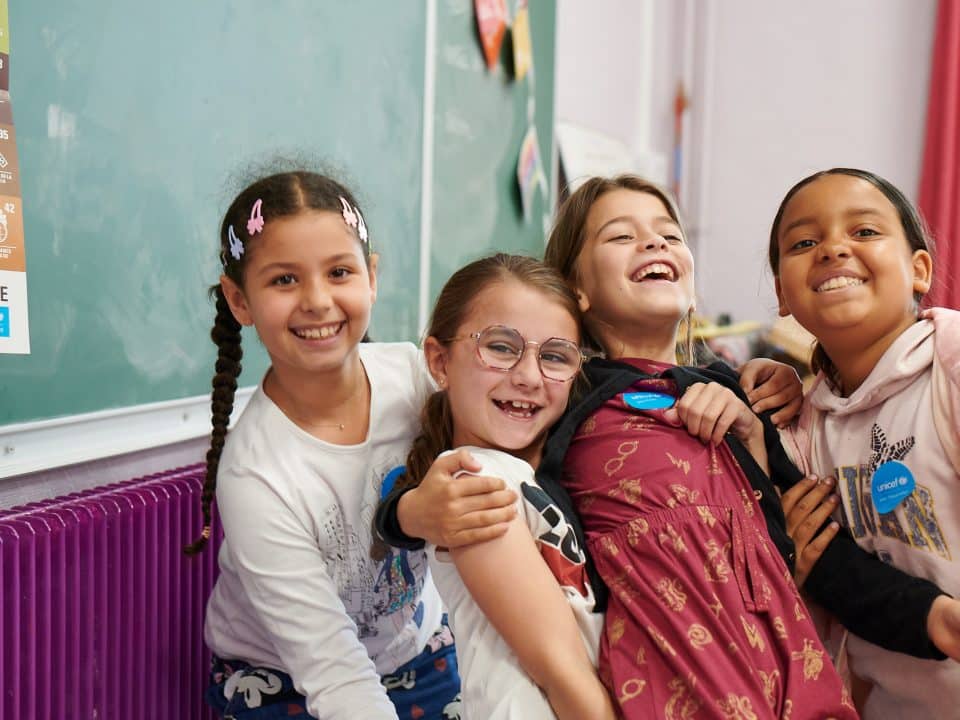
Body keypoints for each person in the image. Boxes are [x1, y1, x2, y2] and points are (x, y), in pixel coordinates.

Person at [384, 176, 863, 718]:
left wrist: (764, 406)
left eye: (669, 234)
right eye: (620, 237)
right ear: (575, 290)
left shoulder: (731, 393)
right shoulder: (570, 397)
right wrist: (406, 513)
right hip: (671, 680)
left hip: (782, 673)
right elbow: (451, 436)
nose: (655, 243)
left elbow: (790, 537)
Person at [184, 170, 462, 720]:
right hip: (281, 680)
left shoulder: (415, 377)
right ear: (240, 301)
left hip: (418, 649)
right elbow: (334, 674)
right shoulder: (254, 471)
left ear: (371, 276)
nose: (317, 301)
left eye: (339, 272)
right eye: (284, 280)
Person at [769, 167, 960, 719]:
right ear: (782, 292)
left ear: (919, 269)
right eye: (805, 242)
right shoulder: (800, 431)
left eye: (865, 232)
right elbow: (827, 572)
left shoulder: (948, 371)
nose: (832, 249)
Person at [391, 253, 617, 720]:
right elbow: (561, 672)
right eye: (499, 347)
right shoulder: (475, 484)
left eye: (554, 356)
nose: (529, 376)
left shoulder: (538, 474)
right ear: (440, 361)